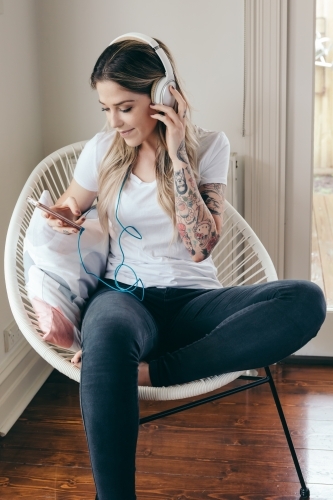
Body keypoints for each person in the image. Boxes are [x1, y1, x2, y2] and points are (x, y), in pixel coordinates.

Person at [44, 35, 326, 500]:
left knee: (305, 300)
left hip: (196, 304)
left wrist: (176, 156)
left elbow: (201, 247)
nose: (114, 121)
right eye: (105, 108)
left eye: (125, 107)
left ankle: (154, 372)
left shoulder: (210, 146)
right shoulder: (101, 150)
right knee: (108, 337)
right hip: (124, 299)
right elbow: (67, 208)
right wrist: (61, 219)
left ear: (160, 96)